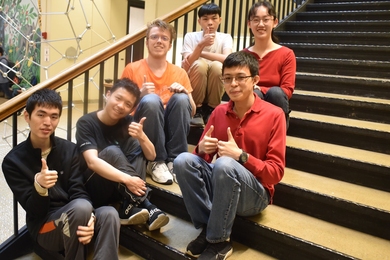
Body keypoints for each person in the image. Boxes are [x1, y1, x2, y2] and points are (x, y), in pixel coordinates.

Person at [174, 51, 286, 259]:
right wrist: (201, 150)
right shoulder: (219, 112)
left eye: (240, 78)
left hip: (255, 195)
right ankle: (208, 226)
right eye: (227, 78)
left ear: (255, 80)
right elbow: (199, 161)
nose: (233, 84)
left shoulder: (274, 115)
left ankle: (219, 241)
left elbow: (275, 173)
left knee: (225, 163)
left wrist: (242, 157)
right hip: (222, 185)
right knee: (182, 161)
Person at [2, 89, 120, 259]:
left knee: (109, 213)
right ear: (27, 116)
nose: (47, 122)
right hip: (45, 227)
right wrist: (40, 187)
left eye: (54, 116)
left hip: (75, 213)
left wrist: (91, 218)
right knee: (80, 208)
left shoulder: (69, 149)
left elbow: (78, 190)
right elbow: (34, 211)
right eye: (41, 115)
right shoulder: (13, 161)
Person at [76, 78, 169, 231]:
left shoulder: (127, 121)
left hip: (119, 187)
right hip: (94, 186)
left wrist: (142, 137)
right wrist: (128, 179)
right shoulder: (86, 123)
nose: (121, 106)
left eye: (128, 104)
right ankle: (146, 204)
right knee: (112, 151)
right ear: (108, 95)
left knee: (136, 145)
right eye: (118, 98)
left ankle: (129, 206)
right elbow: (92, 162)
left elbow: (152, 156)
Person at [121, 19, 196, 185]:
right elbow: (119, 110)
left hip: (171, 130)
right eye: (154, 37)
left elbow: (192, 111)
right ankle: (156, 162)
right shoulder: (132, 69)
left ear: (170, 45)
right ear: (147, 42)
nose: (159, 41)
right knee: (151, 100)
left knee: (182, 98)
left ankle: (175, 161)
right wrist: (140, 95)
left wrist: (185, 93)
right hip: (144, 131)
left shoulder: (180, 72)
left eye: (164, 38)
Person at [243, 1, 296, 128]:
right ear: (249, 24)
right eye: (256, 20)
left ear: (275, 22)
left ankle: (276, 131)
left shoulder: (286, 54)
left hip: (275, 108)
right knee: (254, 94)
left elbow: (287, 90)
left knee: (275, 92)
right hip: (251, 107)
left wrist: (260, 89)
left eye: (266, 19)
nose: (261, 24)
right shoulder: (243, 55)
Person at [181, 3, 233, 126]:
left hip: (215, 83)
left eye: (214, 18)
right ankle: (197, 109)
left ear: (220, 20)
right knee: (200, 65)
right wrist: (200, 44)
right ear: (199, 21)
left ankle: (212, 109)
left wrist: (200, 52)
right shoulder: (190, 36)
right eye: (205, 19)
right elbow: (186, 65)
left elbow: (227, 59)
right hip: (195, 84)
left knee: (217, 66)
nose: (210, 22)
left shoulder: (225, 37)